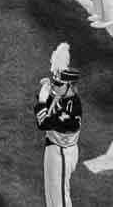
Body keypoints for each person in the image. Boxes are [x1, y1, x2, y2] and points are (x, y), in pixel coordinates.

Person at [35, 44, 83, 206]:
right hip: (54, 147)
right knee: (52, 194)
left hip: (62, 152)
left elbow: (44, 122)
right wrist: (48, 91)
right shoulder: (62, 97)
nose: (55, 86)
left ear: (71, 86)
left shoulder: (72, 108)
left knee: (60, 197)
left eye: (59, 84)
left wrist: (42, 100)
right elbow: (52, 106)